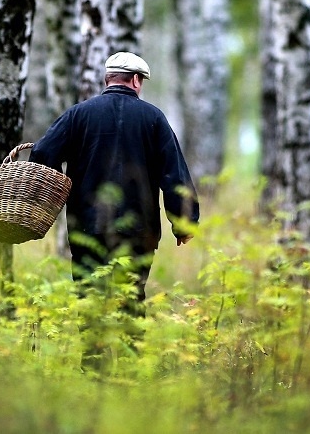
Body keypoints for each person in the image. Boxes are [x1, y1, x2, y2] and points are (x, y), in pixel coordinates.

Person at [29, 51, 199, 307]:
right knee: (130, 302)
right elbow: (174, 175)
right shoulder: (154, 118)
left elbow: (42, 152)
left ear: (108, 80)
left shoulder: (78, 114)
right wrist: (184, 223)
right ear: (135, 80)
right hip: (139, 232)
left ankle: (91, 348)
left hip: (87, 227)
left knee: (89, 302)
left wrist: (54, 194)